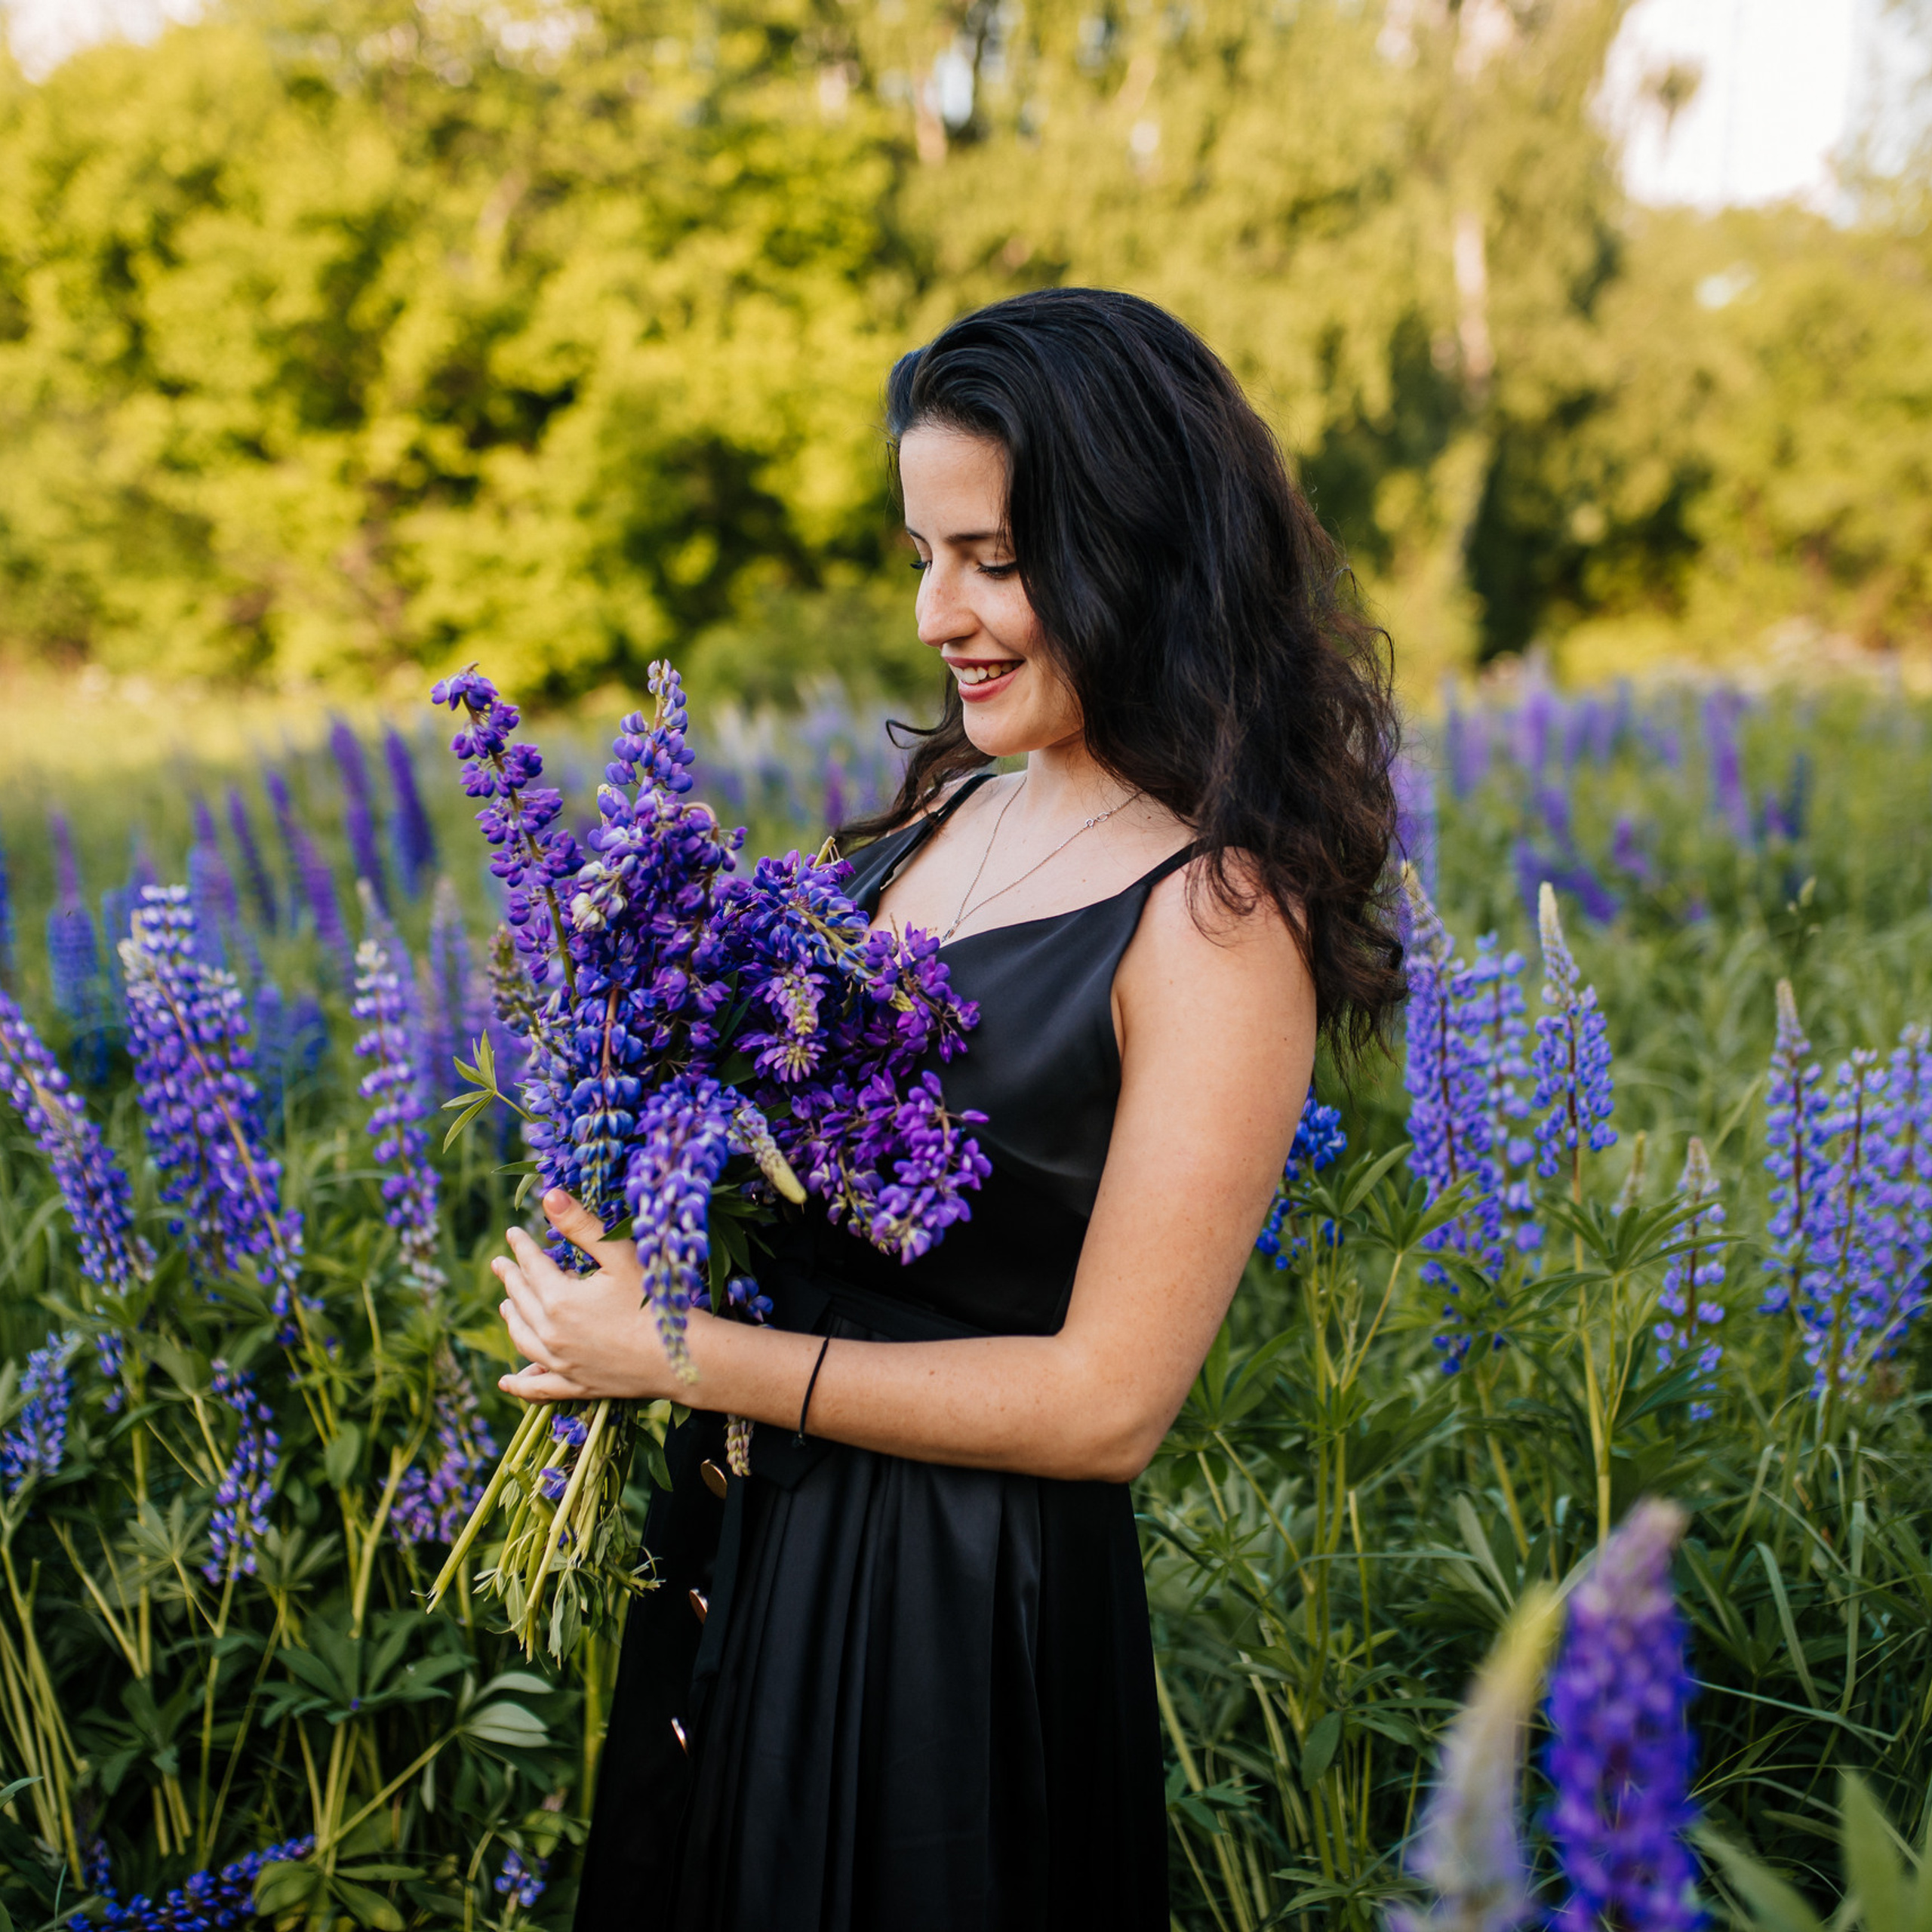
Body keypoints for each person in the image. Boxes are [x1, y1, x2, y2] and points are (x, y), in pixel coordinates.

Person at [488, 287, 1404, 1931]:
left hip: (953, 1616)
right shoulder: (939, 818)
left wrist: (680, 1351)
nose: (937, 610)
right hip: (748, 1546)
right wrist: (625, 1248)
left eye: (989, 558)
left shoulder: (1217, 920)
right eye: (921, 552)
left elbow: (1102, 1406)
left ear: (1133, 550)